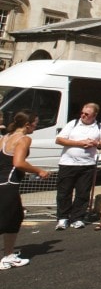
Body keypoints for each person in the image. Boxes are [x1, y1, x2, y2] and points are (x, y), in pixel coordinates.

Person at [0, 110, 49, 269]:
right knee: (7, 221)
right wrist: (39, 171)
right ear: (27, 125)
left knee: (15, 218)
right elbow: (19, 163)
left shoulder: (5, 137)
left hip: (3, 183)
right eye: (35, 123)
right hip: (9, 184)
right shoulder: (24, 139)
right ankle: (7, 256)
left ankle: (8, 255)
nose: (36, 126)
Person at [55, 103, 101, 230]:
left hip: (87, 164)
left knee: (83, 192)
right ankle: (63, 217)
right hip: (68, 163)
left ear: (94, 115)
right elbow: (59, 140)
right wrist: (80, 143)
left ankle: (77, 217)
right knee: (64, 192)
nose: (83, 116)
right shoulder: (73, 124)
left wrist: (96, 143)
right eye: (82, 113)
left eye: (87, 114)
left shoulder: (99, 126)